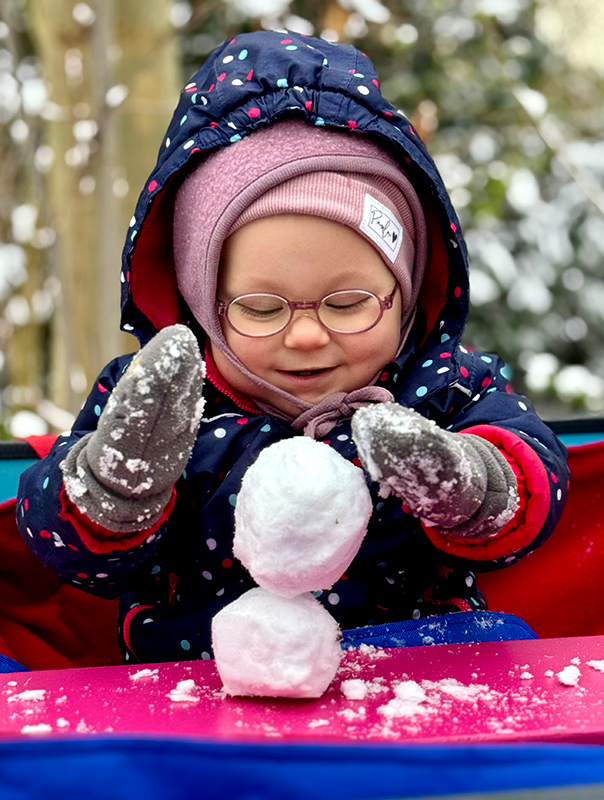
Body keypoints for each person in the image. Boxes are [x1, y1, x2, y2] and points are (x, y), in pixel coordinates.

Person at [17, 30, 569, 664]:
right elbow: (71, 557)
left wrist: (469, 488)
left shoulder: (441, 388)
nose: (307, 335)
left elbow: (535, 483)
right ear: (205, 303)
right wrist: (113, 493)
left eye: (348, 303)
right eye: (260, 308)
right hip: (198, 674)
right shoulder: (164, 398)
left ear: (407, 291)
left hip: (417, 661)